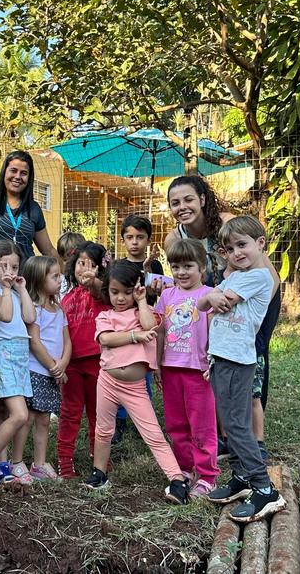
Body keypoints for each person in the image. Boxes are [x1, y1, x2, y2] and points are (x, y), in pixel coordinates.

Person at [164, 175, 280, 460]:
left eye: (189, 199)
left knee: (251, 365)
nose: (182, 207)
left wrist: (253, 322)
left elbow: (271, 278)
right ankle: (227, 435)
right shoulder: (174, 238)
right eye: (175, 203)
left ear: (203, 199)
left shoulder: (227, 224)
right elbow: (184, 281)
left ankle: (254, 440)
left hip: (254, 300)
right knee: (218, 366)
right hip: (215, 303)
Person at [199, 216, 286, 522]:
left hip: (238, 360)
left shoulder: (259, 277)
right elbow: (203, 304)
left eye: (242, 245)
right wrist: (209, 296)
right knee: (228, 420)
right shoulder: (236, 276)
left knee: (237, 424)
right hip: (221, 357)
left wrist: (211, 296)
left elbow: (221, 301)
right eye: (230, 248)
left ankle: (264, 489)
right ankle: (241, 477)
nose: (236, 253)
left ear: (260, 244)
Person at [84, 260, 190, 505]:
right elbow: (106, 339)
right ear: (107, 291)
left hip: (134, 387)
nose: (121, 298)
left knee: (152, 433)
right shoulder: (105, 316)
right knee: (103, 429)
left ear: (138, 289)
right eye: (115, 292)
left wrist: (142, 301)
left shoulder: (143, 313)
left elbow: (150, 326)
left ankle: (177, 480)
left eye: (127, 291)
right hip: (107, 381)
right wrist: (135, 336)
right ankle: (99, 473)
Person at [154, 238, 218, 498]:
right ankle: (185, 468)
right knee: (176, 424)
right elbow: (160, 331)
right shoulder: (166, 296)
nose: (181, 272)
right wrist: (156, 363)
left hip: (198, 371)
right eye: (176, 267)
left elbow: (215, 331)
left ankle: (208, 475)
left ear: (202, 267)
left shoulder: (210, 295)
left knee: (201, 425)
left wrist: (213, 361)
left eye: (188, 266)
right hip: (171, 369)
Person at [0, 240, 36, 487]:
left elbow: (29, 317)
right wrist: (4, 288)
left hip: (20, 354)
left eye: (14, 267)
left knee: (3, 410)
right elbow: (5, 315)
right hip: (4, 353)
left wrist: (21, 290)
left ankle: (2, 464)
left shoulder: (13, 291)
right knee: (20, 414)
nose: (10, 272)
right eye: (4, 266)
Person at [57, 241, 110, 478]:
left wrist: (95, 282)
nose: (85, 269)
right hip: (72, 363)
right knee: (70, 411)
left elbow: (102, 292)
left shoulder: (101, 292)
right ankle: (64, 460)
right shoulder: (67, 298)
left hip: (98, 361)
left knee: (98, 413)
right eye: (81, 263)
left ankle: (97, 456)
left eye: (91, 264)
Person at [0, 150, 57, 291]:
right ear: (4, 172)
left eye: (23, 173)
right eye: (13, 171)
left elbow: (49, 250)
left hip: (24, 287)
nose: (18, 177)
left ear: (29, 178)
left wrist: (67, 277)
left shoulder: (33, 209)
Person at [19, 255, 71, 481]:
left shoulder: (59, 309)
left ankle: (39, 464)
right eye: (55, 276)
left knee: (44, 419)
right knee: (29, 417)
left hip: (52, 372)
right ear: (39, 280)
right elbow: (35, 342)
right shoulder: (35, 309)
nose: (60, 280)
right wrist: (53, 366)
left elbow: (67, 340)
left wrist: (63, 363)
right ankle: (17, 461)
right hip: (36, 371)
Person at [115, 214, 163, 443]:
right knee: (122, 370)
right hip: (124, 327)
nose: (135, 242)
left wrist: (149, 281)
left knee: (144, 372)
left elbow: (158, 293)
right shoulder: (118, 266)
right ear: (123, 239)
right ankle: (120, 419)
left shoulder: (154, 265)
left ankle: (144, 419)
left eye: (140, 237)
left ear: (148, 240)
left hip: (147, 323)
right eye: (130, 237)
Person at [56, 231, 85, 296]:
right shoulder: (61, 280)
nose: (64, 264)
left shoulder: (87, 279)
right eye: (64, 260)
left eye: (68, 260)